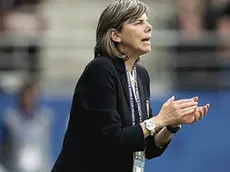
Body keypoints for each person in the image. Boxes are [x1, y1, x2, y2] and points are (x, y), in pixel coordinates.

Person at [51, 1, 210, 172]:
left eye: (147, 21)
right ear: (115, 35)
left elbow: (148, 147)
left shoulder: (141, 75)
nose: (148, 27)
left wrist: (171, 124)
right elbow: (111, 140)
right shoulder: (100, 70)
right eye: (138, 22)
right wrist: (160, 119)